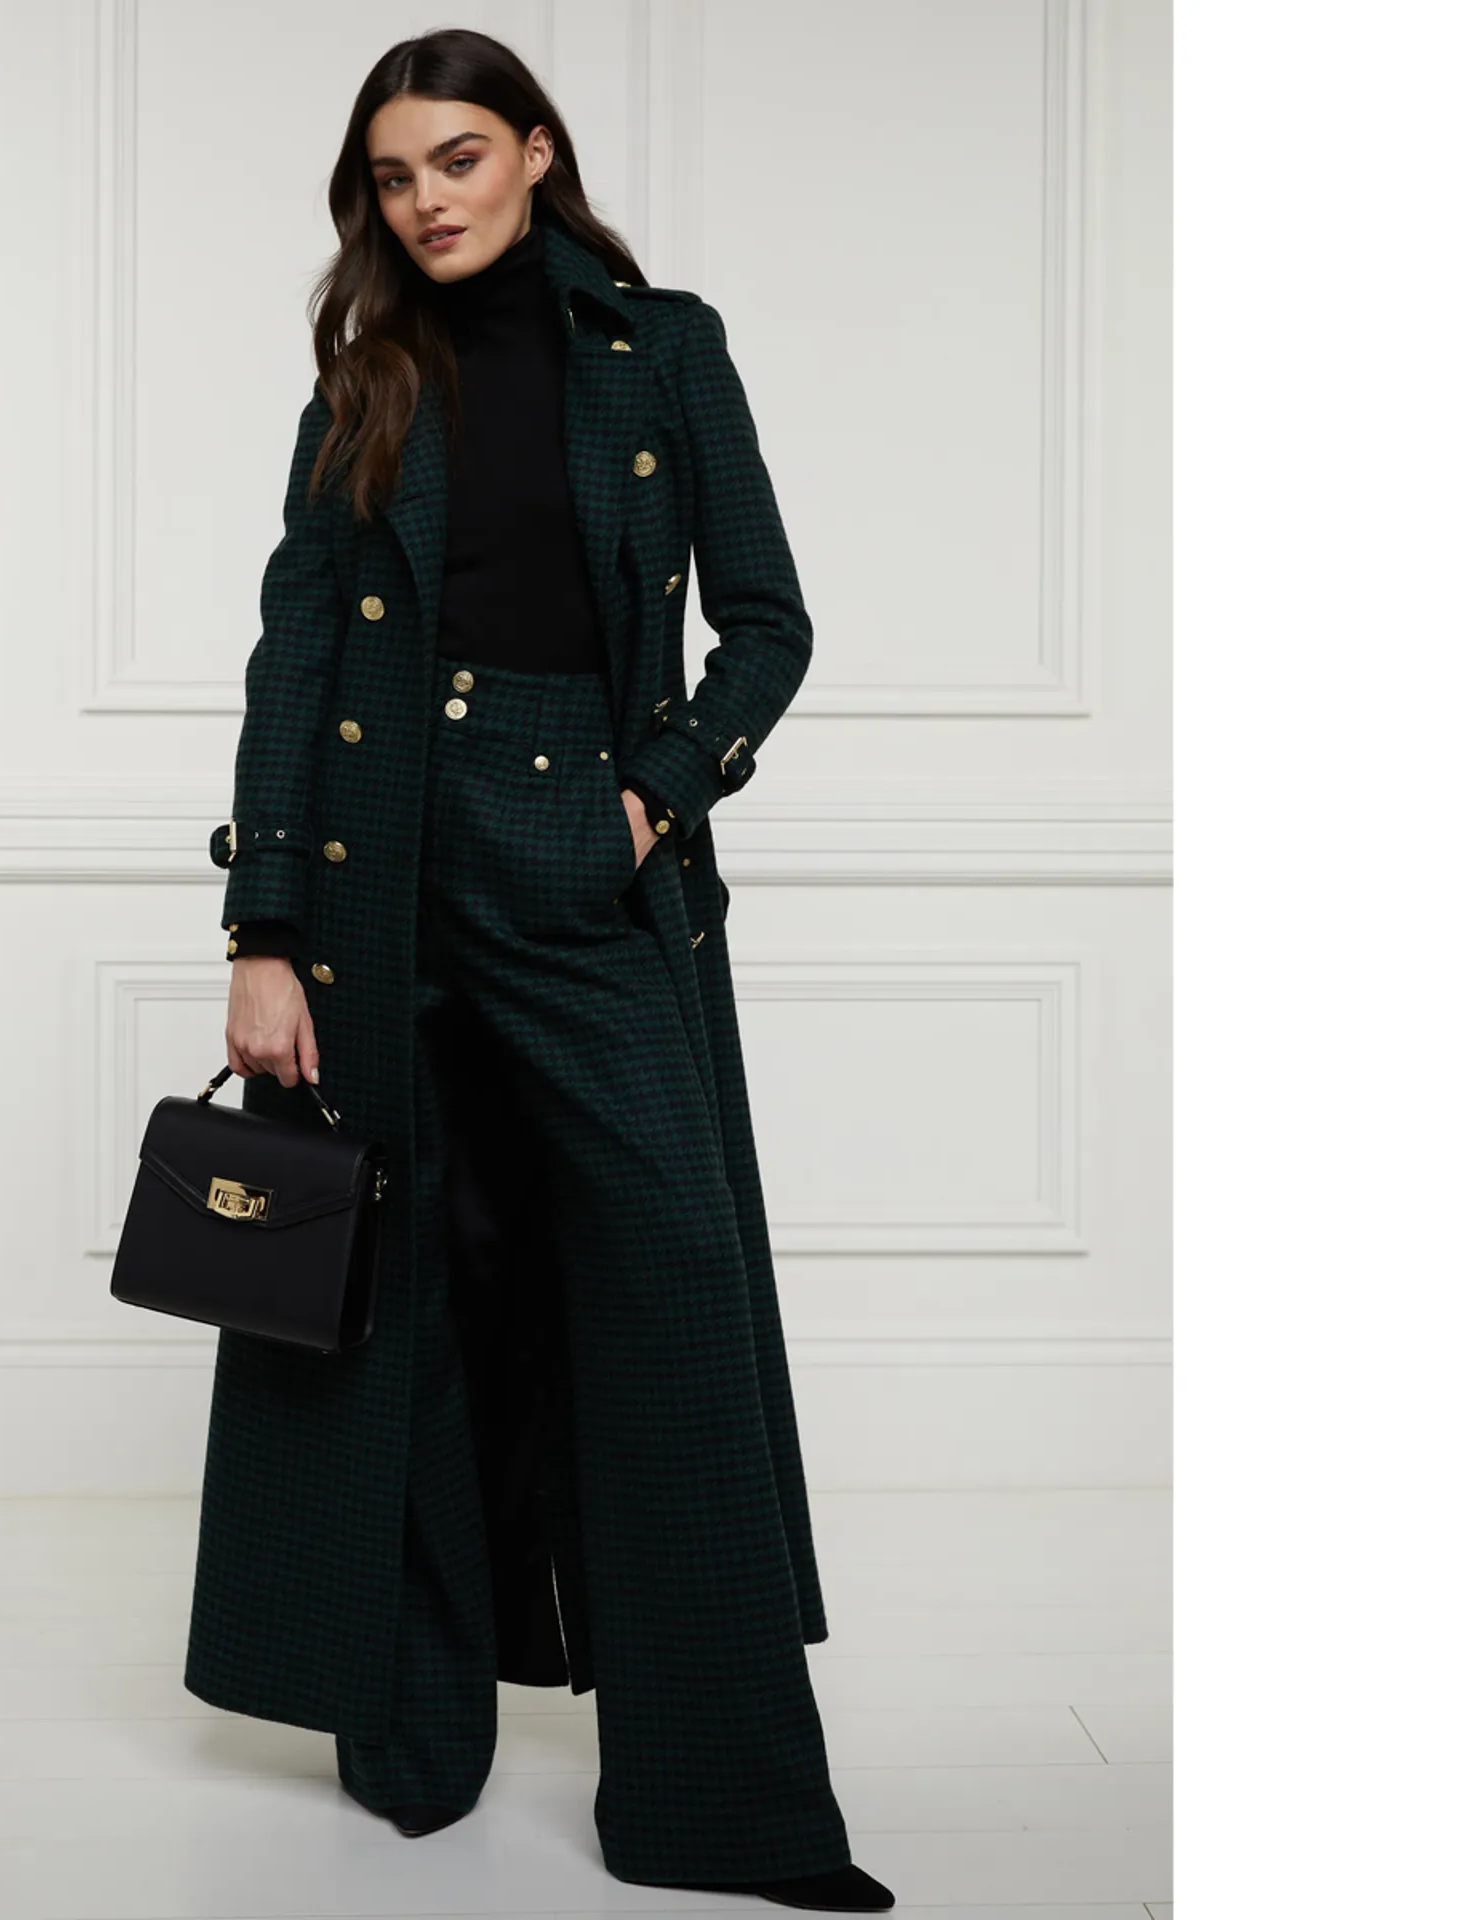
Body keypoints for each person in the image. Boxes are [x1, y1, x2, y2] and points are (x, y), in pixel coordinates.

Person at [197, 27, 895, 1914]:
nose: (426, 200)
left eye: (456, 158)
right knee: (400, 1294)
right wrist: (266, 931)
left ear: (533, 150)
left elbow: (769, 622)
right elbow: (294, 659)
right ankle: (413, 1741)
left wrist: (652, 796)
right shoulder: (367, 376)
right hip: (382, 856)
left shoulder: (663, 349)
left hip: (583, 841)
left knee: (667, 1302)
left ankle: (719, 1800)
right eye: (393, 176)